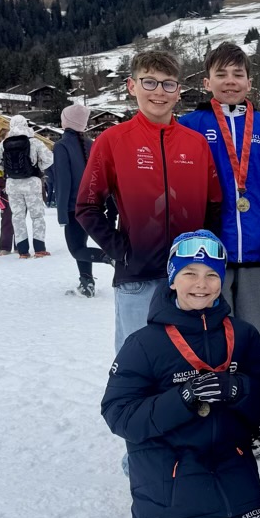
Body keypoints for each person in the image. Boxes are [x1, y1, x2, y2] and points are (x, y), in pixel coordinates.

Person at [100, 230, 260, 518]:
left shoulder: (243, 334)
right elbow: (118, 414)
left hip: (227, 460)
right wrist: (182, 398)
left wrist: (239, 389)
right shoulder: (144, 343)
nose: (201, 284)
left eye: (212, 274)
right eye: (190, 273)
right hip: (168, 465)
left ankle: (216, 513)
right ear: (172, 278)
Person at [180, 43, 260, 458]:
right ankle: (209, 418)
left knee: (250, 339)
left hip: (259, 251)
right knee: (210, 337)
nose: (230, 81)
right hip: (209, 255)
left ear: (249, 81)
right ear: (206, 80)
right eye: (222, 74)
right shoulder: (191, 124)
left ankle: (247, 422)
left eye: (238, 74)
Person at [76, 49, 223, 352]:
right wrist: (121, 250)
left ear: (178, 91)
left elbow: (214, 205)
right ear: (132, 86)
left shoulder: (196, 144)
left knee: (189, 363)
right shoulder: (112, 141)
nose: (159, 92)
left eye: (168, 84)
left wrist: (202, 257)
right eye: (149, 82)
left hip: (189, 280)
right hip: (137, 278)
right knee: (137, 361)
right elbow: (87, 206)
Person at [53, 104, 111, 297]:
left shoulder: (61, 146)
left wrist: (62, 212)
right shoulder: (91, 143)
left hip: (73, 207)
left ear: (66, 121)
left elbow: (63, 181)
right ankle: (87, 284)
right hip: (93, 205)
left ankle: (111, 258)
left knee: (76, 249)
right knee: (82, 245)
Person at [0, 115, 53, 257]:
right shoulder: (34, 141)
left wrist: (6, 169)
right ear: (25, 125)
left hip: (13, 184)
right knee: (37, 217)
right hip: (32, 183)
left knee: (17, 217)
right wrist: (38, 167)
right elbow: (49, 159)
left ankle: (23, 251)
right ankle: (39, 249)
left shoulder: (4, 143)